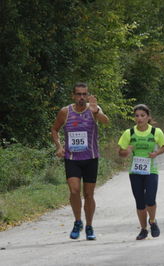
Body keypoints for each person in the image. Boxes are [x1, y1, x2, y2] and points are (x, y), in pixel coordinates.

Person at [51, 82, 109, 240]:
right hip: (72, 158)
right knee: (74, 191)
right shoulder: (65, 111)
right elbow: (54, 129)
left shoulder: (94, 109)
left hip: (90, 158)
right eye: (78, 94)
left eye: (84, 94)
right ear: (73, 96)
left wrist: (96, 111)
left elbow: (105, 121)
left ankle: (89, 226)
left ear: (88, 95)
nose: (81, 97)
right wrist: (59, 146)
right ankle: (78, 221)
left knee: (89, 194)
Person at [118, 104, 164, 240]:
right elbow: (120, 152)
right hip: (135, 172)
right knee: (140, 202)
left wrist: (156, 153)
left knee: (150, 200)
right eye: (136, 116)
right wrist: (126, 151)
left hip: (151, 170)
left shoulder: (155, 132)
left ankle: (152, 221)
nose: (139, 118)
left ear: (148, 117)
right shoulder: (129, 133)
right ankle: (143, 229)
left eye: (142, 115)